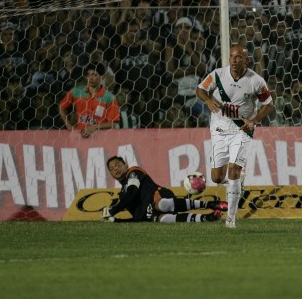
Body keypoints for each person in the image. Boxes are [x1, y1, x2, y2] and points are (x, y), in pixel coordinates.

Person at [195, 44, 274, 228]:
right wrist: (207, 100)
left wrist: (254, 120)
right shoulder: (218, 75)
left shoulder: (256, 81)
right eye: (232, 56)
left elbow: (268, 104)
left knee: (234, 171)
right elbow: (200, 89)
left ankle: (230, 219)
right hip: (219, 129)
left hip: (242, 130)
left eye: (239, 57)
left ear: (247, 60)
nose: (234, 60)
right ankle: (236, 184)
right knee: (216, 177)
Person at [101, 156, 227, 223]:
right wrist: (115, 220)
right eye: (112, 169)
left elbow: (132, 191)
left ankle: (211, 204)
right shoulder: (122, 195)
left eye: (118, 165)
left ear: (126, 165)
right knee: (162, 219)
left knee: (160, 204)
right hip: (150, 212)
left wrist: (113, 210)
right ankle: (208, 218)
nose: (115, 169)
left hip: (160, 195)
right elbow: (136, 219)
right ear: (111, 174)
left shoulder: (134, 172)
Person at [59, 63, 120, 138]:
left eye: (94, 75)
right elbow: (61, 106)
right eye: (88, 74)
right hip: (80, 137)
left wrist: (94, 127)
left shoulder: (109, 97)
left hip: (100, 139)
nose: (90, 78)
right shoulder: (77, 91)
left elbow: (113, 123)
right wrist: (68, 125)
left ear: (103, 77)